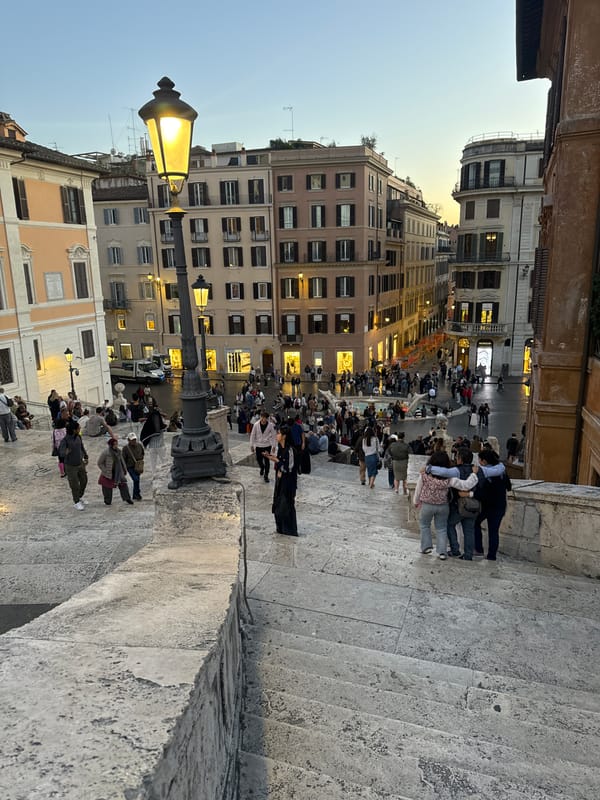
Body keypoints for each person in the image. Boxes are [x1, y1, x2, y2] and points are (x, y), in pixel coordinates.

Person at [474, 447, 511, 560]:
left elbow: (480, 491)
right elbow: (509, 486)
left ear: (484, 461)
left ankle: (479, 549)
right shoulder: (501, 471)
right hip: (500, 505)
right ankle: (491, 555)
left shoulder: (484, 473)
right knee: (494, 531)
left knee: (475, 522)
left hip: (487, 505)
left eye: (480, 460)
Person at [264, 425, 298, 536]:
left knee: (286, 506)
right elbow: (280, 463)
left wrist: (277, 461)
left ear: (284, 436)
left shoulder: (290, 450)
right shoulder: (280, 447)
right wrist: (271, 457)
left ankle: (289, 531)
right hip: (279, 482)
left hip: (288, 484)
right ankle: (280, 529)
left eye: (279, 433)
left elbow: (289, 468)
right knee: (278, 505)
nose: (277, 435)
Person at [59, 419, 89, 510]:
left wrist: (86, 456)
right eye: (78, 428)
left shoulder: (78, 437)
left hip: (80, 463)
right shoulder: (65, 440)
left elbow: (81, 447)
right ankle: (76, 502)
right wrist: (66, 452)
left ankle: (79, 496)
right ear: (73, 430)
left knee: (84, 480)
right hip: (71, 466)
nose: (80, 429)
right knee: (74, 484)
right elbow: (61, 452)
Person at [97, 438, 134, 506]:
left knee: (123, 485)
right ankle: (107, 500)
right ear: (111, 445)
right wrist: (105, 471)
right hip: (109, 473)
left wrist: (124, 469)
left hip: (118, 472)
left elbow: (122, 461)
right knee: (106, 487)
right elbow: (100, 463)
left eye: (117, 444)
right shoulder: (106, 452)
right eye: (115, 444)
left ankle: (127, 498)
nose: (116, 446)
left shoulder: (119, 451)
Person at [249, 409, 277, 483]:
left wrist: (274, 446)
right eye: (262, 417)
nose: (263, 419)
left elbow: (274, 436)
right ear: (260, 417)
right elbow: (252, 435)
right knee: (259, 459)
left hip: (267, 445)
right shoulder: (256, 424)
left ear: (267, 418)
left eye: (265, 418)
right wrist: (251, 445)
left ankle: (266, 476)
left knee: (267, 461)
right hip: (258, 445)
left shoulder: (270, 425)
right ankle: (262, 467)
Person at [139, 401, 167, 472]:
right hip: (160, 445)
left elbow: (141, 421)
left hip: (151, 446)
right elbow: (165, 423)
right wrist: (160, 413)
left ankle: (153, 475)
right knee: (165, 462)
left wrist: (146, 418)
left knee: (153, 464)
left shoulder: (147, 424)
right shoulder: (161, 422)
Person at [122, 431, 145, 501]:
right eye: (132, 440)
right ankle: (137, 494)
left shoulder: (139, 445)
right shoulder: (125, 448)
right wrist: (124, 468)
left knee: (137, 480)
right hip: (130, 466)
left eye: (134, 439)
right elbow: (123, 458)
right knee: (136, 479)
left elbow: (143, 453)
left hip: (138, 466)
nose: (134, 441)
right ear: (129, 440)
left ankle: (136, 494)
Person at [362, 423, 380, 489]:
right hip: (373, 456)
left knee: (369, 470)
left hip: (367, 457)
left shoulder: (364, 439)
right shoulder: (375, 439)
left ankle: (370, 482)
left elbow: (363, 448)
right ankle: (371, 484)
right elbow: (379, 449)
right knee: (374, 471)